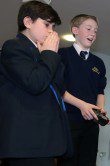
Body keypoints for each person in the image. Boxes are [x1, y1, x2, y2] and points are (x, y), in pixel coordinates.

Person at [0, 1, 71, 165]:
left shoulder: (45, 53)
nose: (51, 32)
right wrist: (48, 54)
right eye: (46, 24)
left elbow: (59, 88)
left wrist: (48, 54)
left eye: (53, 26)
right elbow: (35, 83)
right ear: (28, 22)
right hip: (25, 143)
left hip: (44, 140)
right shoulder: (13, 47)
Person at [57, 14, 107, 166]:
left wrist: (100, 110)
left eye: (96, 31)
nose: (93, 33)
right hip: (68, 121)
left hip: (91, 124)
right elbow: (59, 88)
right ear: (75, 30)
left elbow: (100, 92)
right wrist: (82, 105)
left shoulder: (98, 63)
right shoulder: (61, 55)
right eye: (89, 28)